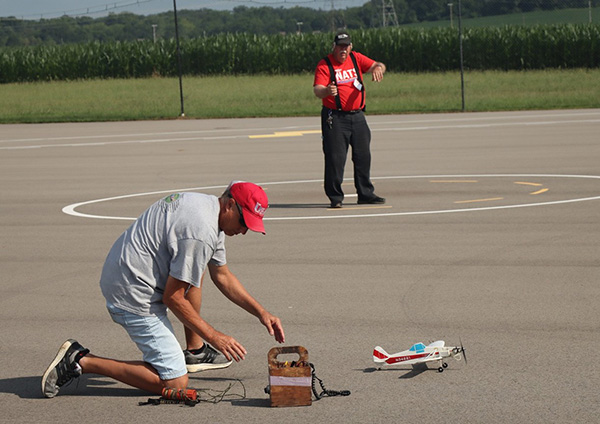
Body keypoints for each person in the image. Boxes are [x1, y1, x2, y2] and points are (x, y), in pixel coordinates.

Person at [42, 181, 285, 398]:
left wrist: (261, 313)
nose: (244, 231)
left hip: (131, 272)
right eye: (244, 222)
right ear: (230, 205)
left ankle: (194, 351)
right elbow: (173, 297)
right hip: (131, 292)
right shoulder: (200, 232)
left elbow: (222, 276)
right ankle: (80, 361)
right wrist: (214, 336)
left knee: (193, 271)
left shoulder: (210, 211)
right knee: (176, 382)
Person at [313, 31, 387, 209]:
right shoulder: (325, 65)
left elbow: (378, 64)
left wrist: (378, 69)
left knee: (363, 156)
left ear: (351, 47)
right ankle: (335, 196)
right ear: (334, 47)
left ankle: (365, 193)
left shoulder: (356, 58)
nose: (343, 50)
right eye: (340, 46)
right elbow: (317, 89)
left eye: (346, 46)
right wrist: (327, 92)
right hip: (335, 117)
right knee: (335, 157)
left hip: (358, 116)